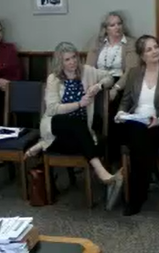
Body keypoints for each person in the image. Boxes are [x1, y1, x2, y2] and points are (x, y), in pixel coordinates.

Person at [25, 42, 123, 208]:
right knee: (76, 123)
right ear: (60, 62)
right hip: (56, 123)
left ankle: (43, 145)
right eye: (67, 60)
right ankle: (103, 173)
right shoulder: (54, 79)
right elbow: (52, 109)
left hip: (77, 132)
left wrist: (98, 86)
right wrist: (79, 104)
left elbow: (110, 77)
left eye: (74, 57)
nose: (72, 62)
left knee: (79, 133)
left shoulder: (87, 71)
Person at [114, 35, 159, 216]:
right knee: (138, 133)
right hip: (137, 121)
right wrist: (121, 113)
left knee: (140, 138)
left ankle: (135, 196)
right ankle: (139, 191)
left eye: (156, 47)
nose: (155, 51)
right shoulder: (134, 73)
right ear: (142, 56)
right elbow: (126, 101)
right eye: (149, 49)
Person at [85, 11, 140, 165]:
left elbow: (130, 71)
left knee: (112, 112)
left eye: (119, 23)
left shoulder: (130, 43)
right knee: (89, 112)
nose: (117, 27)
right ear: (106, 28)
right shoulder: (97, 43)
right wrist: (90, 87)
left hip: (121, 82)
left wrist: (116, 87)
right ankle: (95, 154)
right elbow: (88, 68)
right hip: (98, 82)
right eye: (112, 25)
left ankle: (113, 159)